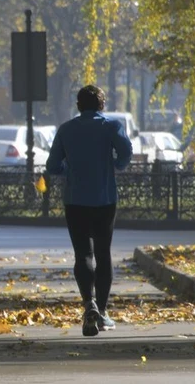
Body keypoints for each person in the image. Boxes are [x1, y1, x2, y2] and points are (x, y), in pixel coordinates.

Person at [46, 85, 133, 337]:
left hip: (75, 200)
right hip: (105, 199)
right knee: (103, 254)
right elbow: (126, 153)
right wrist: (115, 164)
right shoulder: (111, 127)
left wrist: (69, 171)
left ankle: (88, 304)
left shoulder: (66, 129)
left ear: (78, 105)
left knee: (83, 253)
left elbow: (53, 165)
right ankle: (103, 312)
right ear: (101, 105)